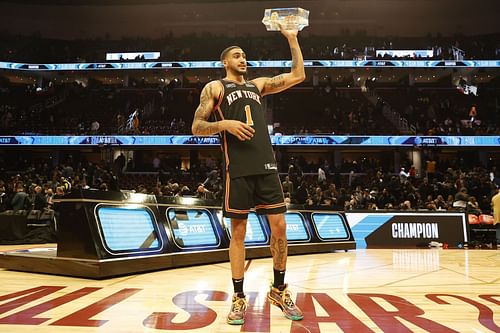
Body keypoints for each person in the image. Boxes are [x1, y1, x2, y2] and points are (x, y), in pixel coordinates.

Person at [191, 23, 305, 325]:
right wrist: (224, 125)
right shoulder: (215, 88)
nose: (244, 60)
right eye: (238, 56)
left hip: (266, 167)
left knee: (279, 228)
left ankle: (279, 290)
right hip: (238, 170)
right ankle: (239, 297)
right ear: (225, 62)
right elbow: (196, 126)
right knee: (238, 234)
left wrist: (292, 39)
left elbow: (297, 76)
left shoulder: (258, 85)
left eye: (245, 56)